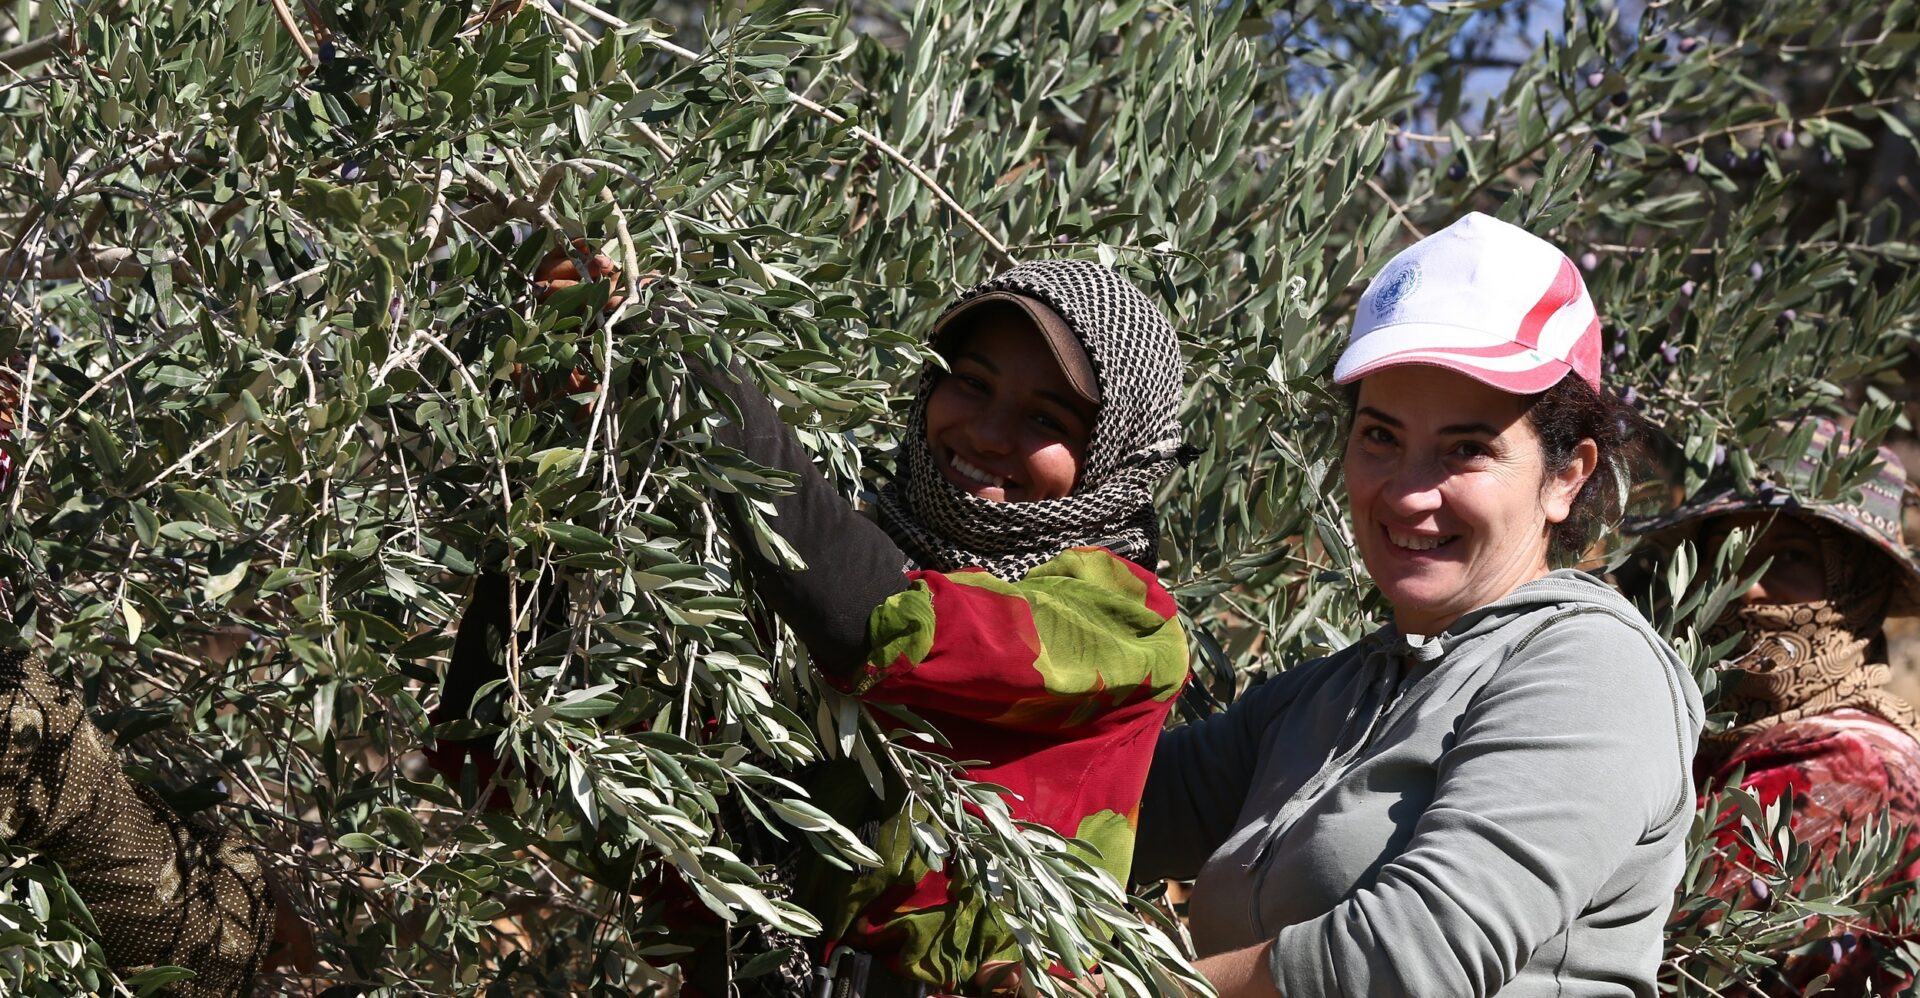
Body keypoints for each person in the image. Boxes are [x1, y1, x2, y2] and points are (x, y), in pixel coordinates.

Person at [433, 256, 1194, 996]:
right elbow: (513, 771)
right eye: (971, 382)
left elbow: (881, 622)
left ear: (1118, 452)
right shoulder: (818, 569)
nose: (990, 433)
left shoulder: (1123, 625)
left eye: (1045, 418)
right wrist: (571, 462)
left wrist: (686, 357)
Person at [1135, 212, 1704, 997]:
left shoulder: (1596, 671)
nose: (1408, 494)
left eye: (1467, 450)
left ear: (1566, 477)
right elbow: (1114, 799)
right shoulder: (1329, 697)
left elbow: (1414, 958)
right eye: (1380, 437)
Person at [1624, 418, 1920, 994]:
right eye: (1730, 557)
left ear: (1859, 583)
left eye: (1789, 556)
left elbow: (1680, 954)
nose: (1750, 586)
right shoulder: (1712, 735)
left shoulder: (1846, 765)